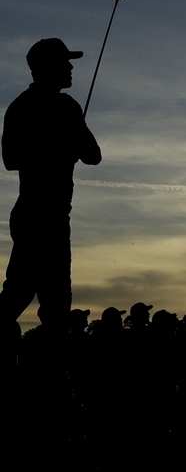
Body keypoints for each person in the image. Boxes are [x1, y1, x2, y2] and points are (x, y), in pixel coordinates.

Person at [0, 38, 101, 337]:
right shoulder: (61, 107)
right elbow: (92, 156)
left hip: (44, 216)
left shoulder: (23, 106)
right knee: (31, 297)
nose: (70, 67)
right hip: (41, 217)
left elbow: (92, 156)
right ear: (48, 67)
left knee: (44, 301)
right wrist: (60, 144)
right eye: (65, 62)